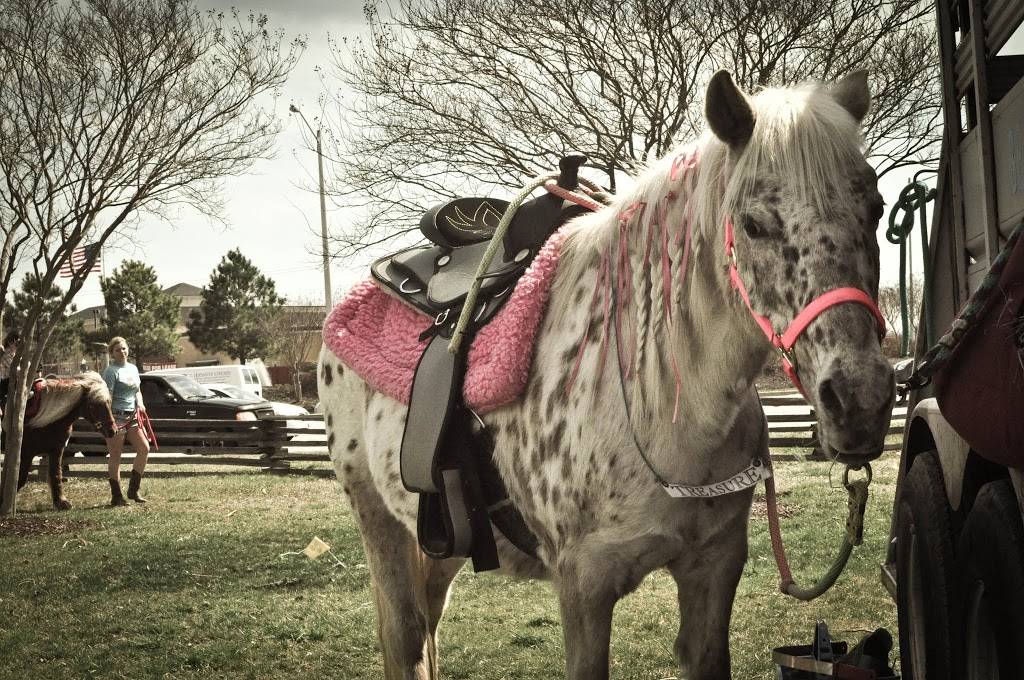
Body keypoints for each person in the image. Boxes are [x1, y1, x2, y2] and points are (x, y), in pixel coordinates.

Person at [101, 336, 150, 506]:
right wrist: (110, 421)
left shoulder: (133, 368)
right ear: (112, 353)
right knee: (115, 455)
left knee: (144, 448)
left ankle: (133, 490)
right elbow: (107, 397)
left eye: (123, 348)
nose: (122, 352)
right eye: (117, 350)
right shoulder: (110, 371)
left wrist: (141, 404)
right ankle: (116, 496)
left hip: (133, 416)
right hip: (116, 417)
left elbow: (137, 391)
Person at [0, 332, 21, 417]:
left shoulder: (13, 354)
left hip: (10, 379)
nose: (17, 346)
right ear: (10, 343)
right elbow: (15, 369)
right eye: (16, 343)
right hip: (5, 381)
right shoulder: (7, 354)